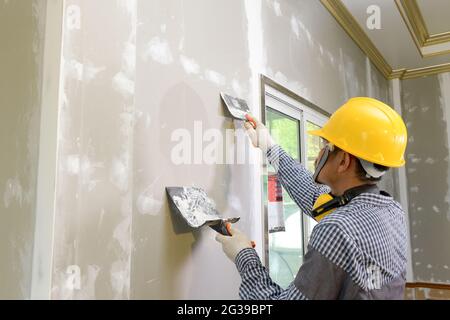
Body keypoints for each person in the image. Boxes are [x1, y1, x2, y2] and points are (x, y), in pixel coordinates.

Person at [216, 97, 408, 299]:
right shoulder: (391, 211)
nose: (319, 153)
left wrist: (243, 255)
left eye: (326, 146)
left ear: (343, 161)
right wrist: (269, 146)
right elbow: (314, 195)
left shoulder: (337, 229)